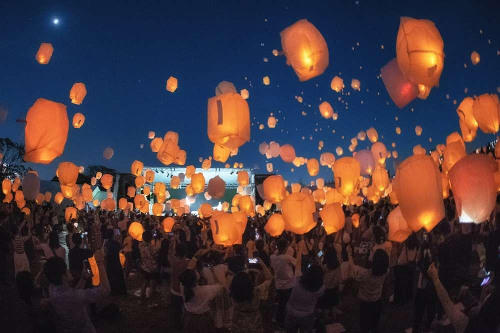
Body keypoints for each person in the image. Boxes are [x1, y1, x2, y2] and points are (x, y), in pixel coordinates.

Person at [45, 252, 110, 333]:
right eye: (67, 270)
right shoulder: (73, 296)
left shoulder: (52, 288)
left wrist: (83, 279)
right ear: (63, 276)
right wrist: (100, 264)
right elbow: (105, 290)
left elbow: (72, 294)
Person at [427, 263, 500, 333]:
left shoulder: (468, 326)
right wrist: (485, 288)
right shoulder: (484, 319)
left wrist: (435, 278)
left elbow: (447, 304)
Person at [348, 248, 389, 333]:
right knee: (374, 324)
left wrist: (350, 254)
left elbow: (353, 266)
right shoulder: (385, 272)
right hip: (377, 301)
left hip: (365, 303)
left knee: (364, 326)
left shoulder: (365, 273)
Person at [230, 258, 272, 333]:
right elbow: (269, 279)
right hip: (253, 323)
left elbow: (238, 280)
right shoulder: (256, 292)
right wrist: (262, 264)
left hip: (237, 322)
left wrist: (245, 272)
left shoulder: (233, 292)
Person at [180, 267, 224, 333]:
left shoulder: (182, 286)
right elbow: (220, 286)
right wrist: (213, 273)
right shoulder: (205, 290)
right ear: (196, 280)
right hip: (203, 320)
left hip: (188, 318)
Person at [285, 263, 324, 333]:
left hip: (292, 312)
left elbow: (297, 269)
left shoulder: (296, 281)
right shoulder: (321, 288)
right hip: (308, 314)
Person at [270, 238, 297, 327]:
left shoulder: (272, 257)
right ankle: (288, 320)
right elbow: (296, 263)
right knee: (289, 303)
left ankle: (279, 319)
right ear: (286, 248)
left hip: (278, 284)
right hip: (289, 284)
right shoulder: (286, 258)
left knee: (281, 303)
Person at [168, 242, 191, 330]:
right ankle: (185, 326)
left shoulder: (173, 261)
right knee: (187, 309)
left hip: (175, 289)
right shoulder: (190, 263)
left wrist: (172, 240)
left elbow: (169, 251)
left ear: (176, 252)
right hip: (186, 290)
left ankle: (177, 327)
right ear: (185, 252)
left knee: (176, 311)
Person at [318, 246, 342, 320]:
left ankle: (327, 319)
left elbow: (318, 257)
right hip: (335, 287)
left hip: (326, 289)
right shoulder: (338, 264)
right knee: (334, 304)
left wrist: (321, 251)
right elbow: (336, 254)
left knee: (325, 306)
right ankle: (334, 319)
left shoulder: (325, 267)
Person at [138, 229, 159, 307]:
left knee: (144, 283)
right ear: (150, 238)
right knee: (152, 286)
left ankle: (140, 299)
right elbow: (156, 257)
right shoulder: (152, 248)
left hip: (144, 267)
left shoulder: (140, 246)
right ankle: (150, 303)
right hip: (152, 268)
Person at [104, 229, 127, 295]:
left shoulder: (106, 243)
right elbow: (120, 247)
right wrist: (124, 244)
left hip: (110, 262)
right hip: (115, 261)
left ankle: (113, 290)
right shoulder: (115, 243)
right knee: (118, 276)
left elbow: (105, 252)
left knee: (111, 276)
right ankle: (120, 290)